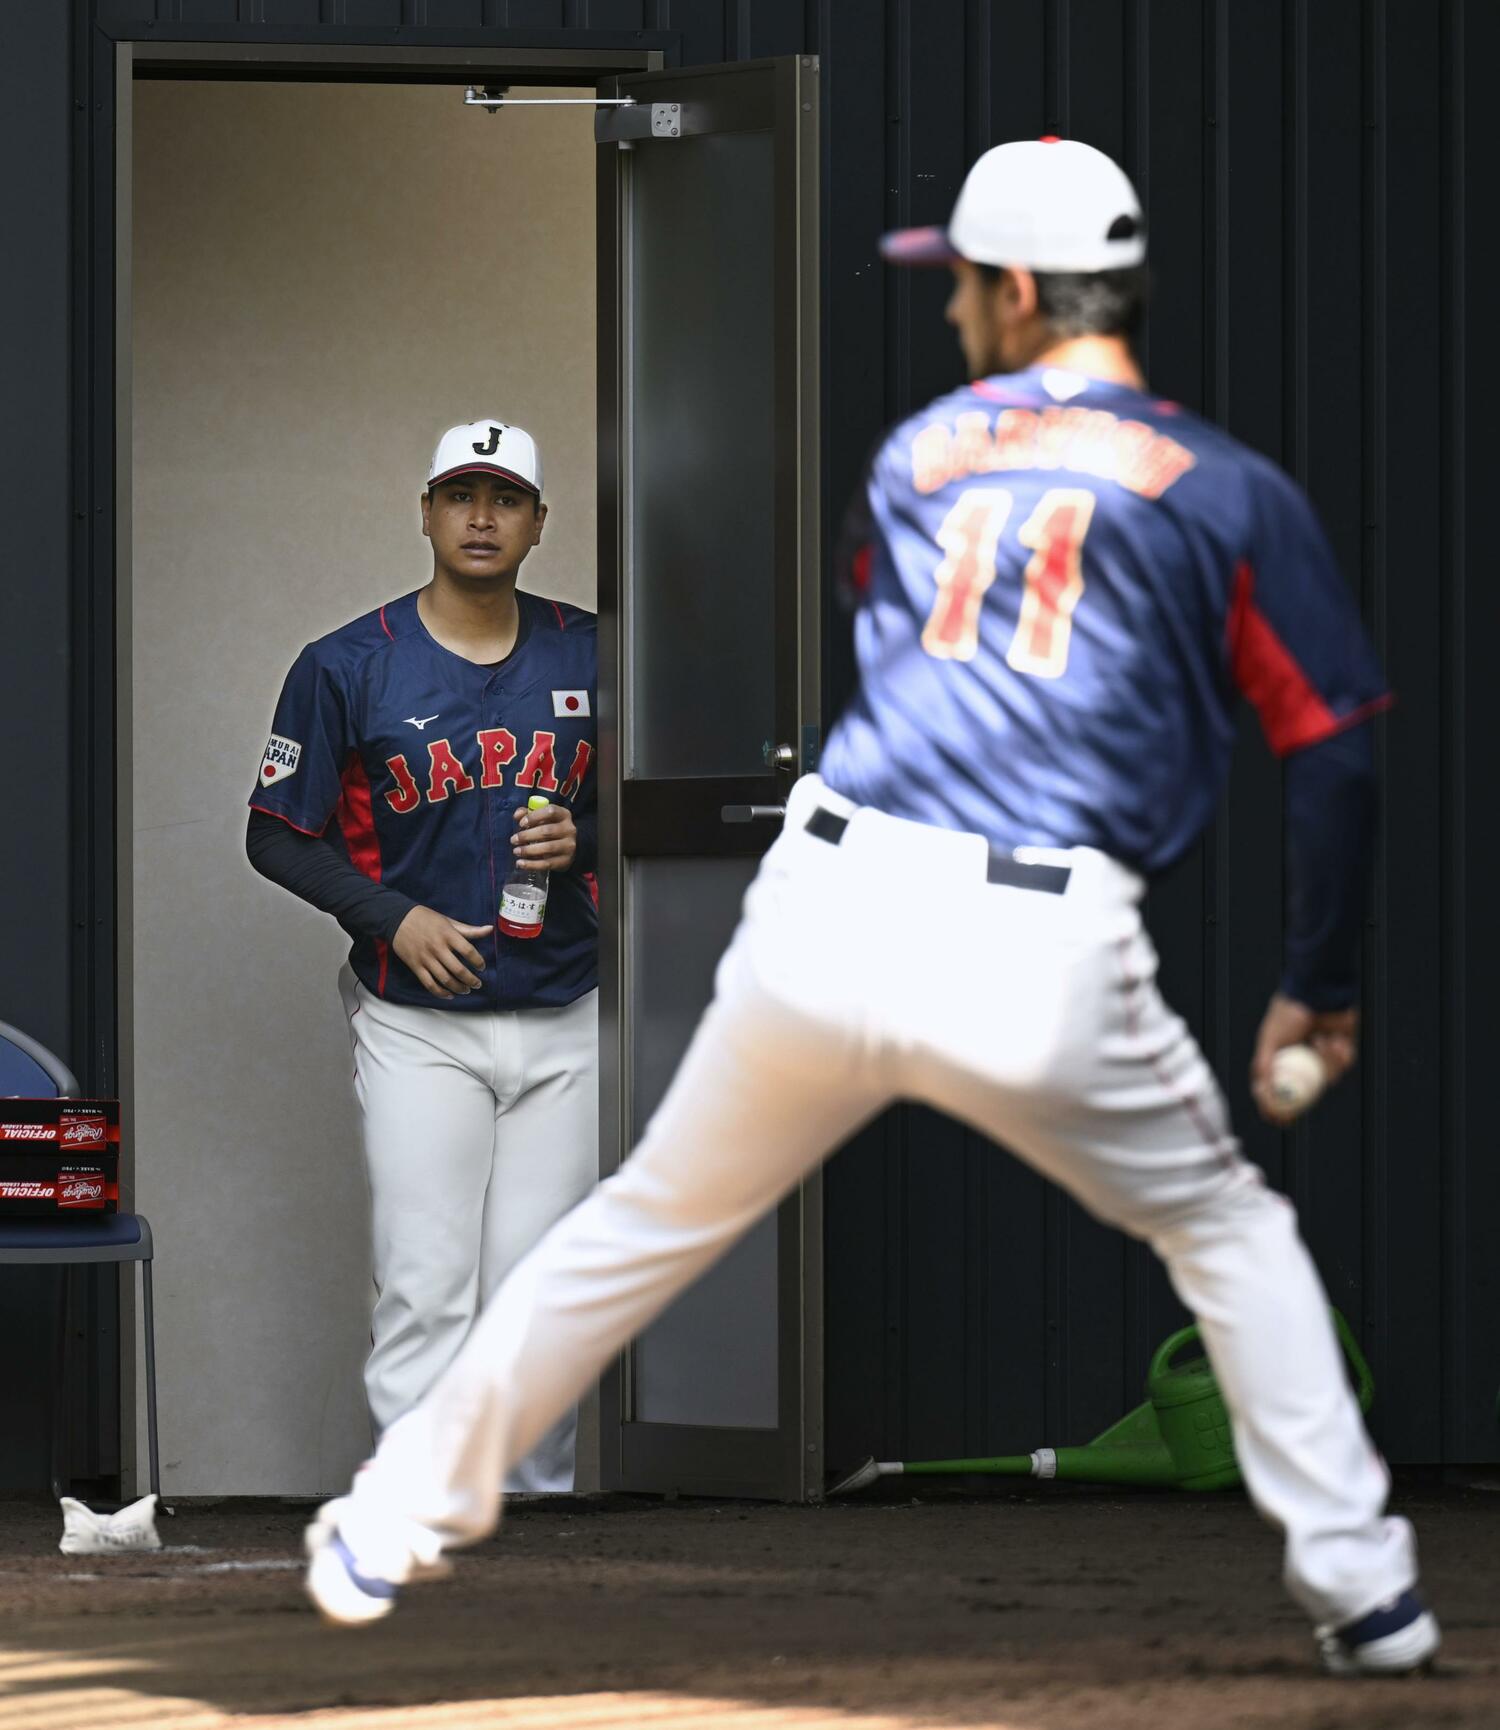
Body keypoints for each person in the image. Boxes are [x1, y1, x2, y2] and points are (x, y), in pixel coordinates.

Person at [302, 146, 1439, 1676]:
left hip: (834, 895)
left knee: (639, 1221)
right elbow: (1334, 745)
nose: (953, 307)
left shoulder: (920, 455)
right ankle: (1367, 1589)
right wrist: (1321, 977)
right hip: (1037, 923)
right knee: (1231, 1229)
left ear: (1019, 290)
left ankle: (389, 1517)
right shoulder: (1229, 489)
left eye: (962, 282)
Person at [247, 419, 598, 1493]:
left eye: (506, 499)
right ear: (428, 511)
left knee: (536, 1291)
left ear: (539, 522)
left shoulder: (599, 652)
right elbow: (276, 832)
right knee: (426, 1279)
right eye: (460, 495)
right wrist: (390, 916)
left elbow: (668, 807)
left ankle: (531, 1515)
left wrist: (591, 839)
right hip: (414, 1016)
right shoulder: (347, 663)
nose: (482, 517)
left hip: (569, 1007)